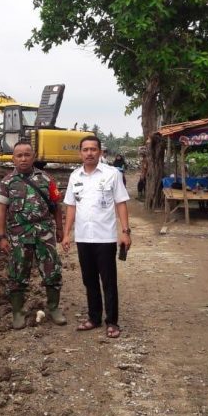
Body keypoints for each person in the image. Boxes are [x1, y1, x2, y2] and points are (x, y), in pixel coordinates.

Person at [61, 135, 132, 339]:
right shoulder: (75, 176)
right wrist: (67, 234)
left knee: (108, 281)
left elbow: (120, 203)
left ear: (100, 152)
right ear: (80, 153)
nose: (89, 153)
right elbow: (71, 206)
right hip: (83, 237)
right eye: (85, 149)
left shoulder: (112, 174)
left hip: (105, 237)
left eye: (93, 149)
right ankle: (94, 317)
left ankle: (112, 322)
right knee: (89, 280)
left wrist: (125, 231)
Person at [0, 140, 66, 330]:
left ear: (33, 157)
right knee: (18, 274)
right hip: (19, 235)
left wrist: (59, 228)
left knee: (52, 271)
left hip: (44, 234)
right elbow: (1, 210)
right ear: (13, 158)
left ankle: (53, 308)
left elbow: (56, 205)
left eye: (27, 155)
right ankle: (18, 312)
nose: (23, 159)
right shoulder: (6, 182)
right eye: (19, 155)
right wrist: (1, 236)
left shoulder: (46, 179)